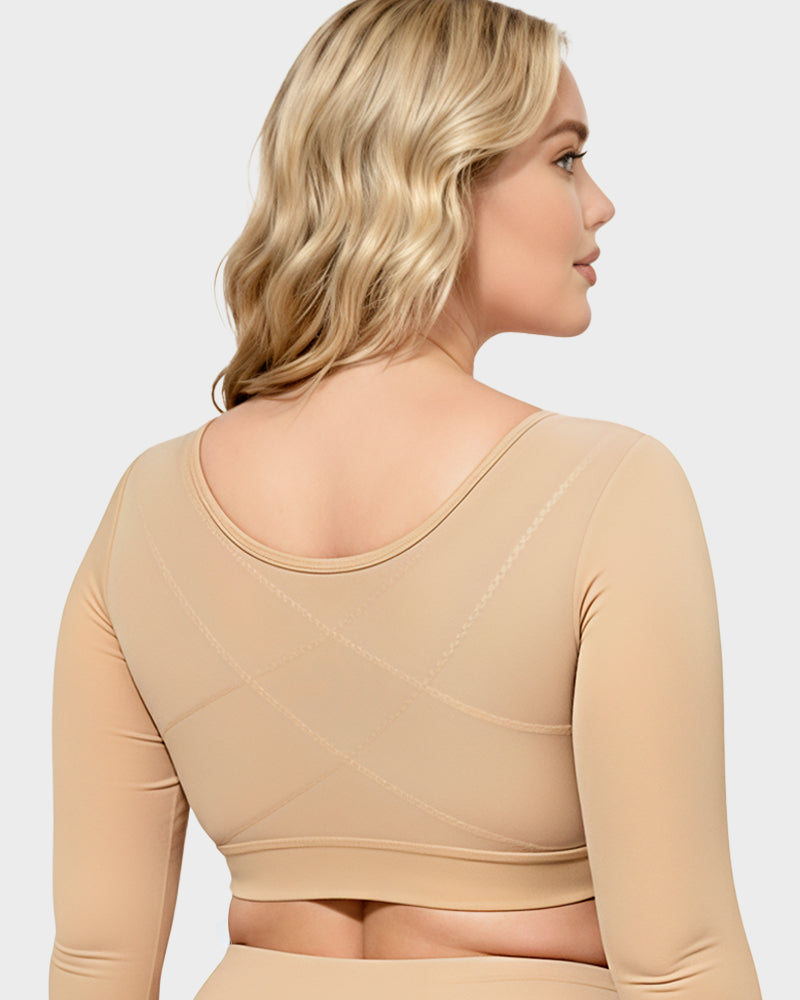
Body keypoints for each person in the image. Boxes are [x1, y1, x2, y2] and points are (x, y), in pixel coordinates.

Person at [49, 1, 762, 997]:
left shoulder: (146, 507)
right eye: (565, 159)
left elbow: (95, 961)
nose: (599, 204)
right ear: (440, 177)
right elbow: (681, 958)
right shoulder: (609, 489)